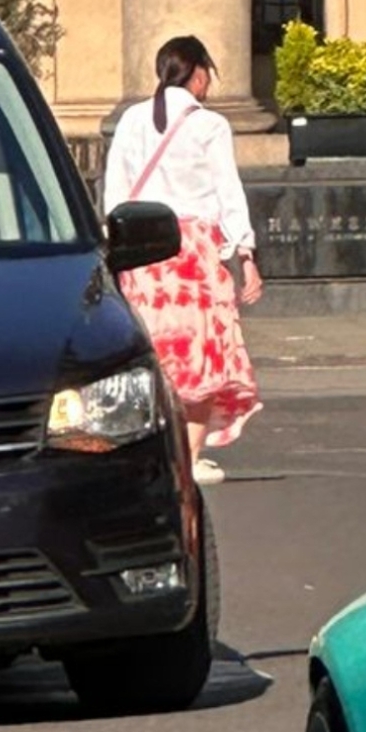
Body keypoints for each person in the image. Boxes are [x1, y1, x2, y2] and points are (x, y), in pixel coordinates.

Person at [102, 35, 261, 484]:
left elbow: (115, 191)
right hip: (193, 253)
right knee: (201, 357)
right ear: (196, 73)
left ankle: (155, 455)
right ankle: (190, 458)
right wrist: (245, 252)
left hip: (143, 251)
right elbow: (227, 191)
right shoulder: (209, 124)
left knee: (155, 352)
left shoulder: (132, 120)